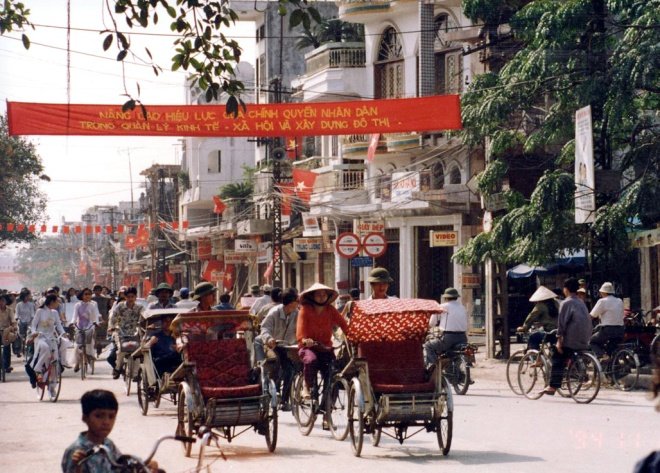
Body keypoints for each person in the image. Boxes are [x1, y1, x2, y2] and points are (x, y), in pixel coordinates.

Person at [296, 283, 349, 399]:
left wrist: (351, 335)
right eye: (318, 294)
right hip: (308, 348)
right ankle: (306, 387)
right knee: (311, 361)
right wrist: (305, 340)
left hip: (325, 348)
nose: (321, 297)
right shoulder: (305, 310)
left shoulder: (330, 310)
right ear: (312, 296)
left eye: (324, 294)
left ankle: (326, 411)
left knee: (333, 374)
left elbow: (343, 324)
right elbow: (300, 332)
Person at [542, 277, 592, 396]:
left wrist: (559, 341)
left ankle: (552, 386)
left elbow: (562, 324)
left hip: (572, 339)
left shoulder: (566, 303)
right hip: (585, 338)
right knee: (566, 353)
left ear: (566, 289)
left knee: (557, 355)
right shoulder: (581, 302)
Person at [256, 287, 299, 411]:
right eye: (297, 301)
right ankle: (267, 391)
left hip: (285, 346)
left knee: (290, 370)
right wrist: (269, 339)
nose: (298, 303)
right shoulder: (274, 312)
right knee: (271, 365)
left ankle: (284, 401)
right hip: (268, 344)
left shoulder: (297, 313)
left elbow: (302, 329)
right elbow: (264, 328)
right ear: (291, 303)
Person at [423, 287, 468, 369]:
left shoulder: (442, 307)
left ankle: (434, 367)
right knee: (454, 354)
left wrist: (426, 328)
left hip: (448, 338)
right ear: (456, 297)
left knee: (428, 346)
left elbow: (432, 323)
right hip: (463, 338)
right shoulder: (462, 307)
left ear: (446, 297)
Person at [28, 294, 66, 388]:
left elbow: (59, 325)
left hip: (52, 337)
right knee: (45, 348)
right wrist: (34, 332)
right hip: (40, 337)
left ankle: (52, 386)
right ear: (52, 302)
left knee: (55, 359)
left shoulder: (55, 313)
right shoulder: (40, 311)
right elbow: (33, 325)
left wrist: (64, 333)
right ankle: (38, 368)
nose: (58, 303)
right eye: (57, 301)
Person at [108, 287, 144, 379]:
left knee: (137, 352)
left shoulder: (140, 307)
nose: (130, 299)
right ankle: (117, 368)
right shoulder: (120, 306)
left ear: (135, 297)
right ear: (125, 297)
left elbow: (144, 318)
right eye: (128, 296)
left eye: (132, 296)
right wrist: (112, 327)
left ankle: (136, 375)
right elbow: (113, 318)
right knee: (121, 350)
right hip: (120, 332)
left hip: (135, 332)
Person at [516, 285, 559, 351]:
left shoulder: (540, 305)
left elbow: (531, 317)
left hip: (549, 332)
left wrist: (524, 327)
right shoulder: (556, 303)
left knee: (533, 337)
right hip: (559, 332)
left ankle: (537, 359)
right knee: (554, 348)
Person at [589, 282, 625, 359]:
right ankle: (610, 364)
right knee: (611, 349)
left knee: (592, 342)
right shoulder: (619, 301)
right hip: (620, 330)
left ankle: (603, 356)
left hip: (608, 330)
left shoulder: (602, 301)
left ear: (604, 292)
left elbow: (592, 315)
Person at [71, 288, 101, 372]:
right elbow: (74, 316)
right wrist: (72, 322)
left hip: (90, 326)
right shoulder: (77, 305)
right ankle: (77, 362)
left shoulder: (93, 305)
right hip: (79, 326)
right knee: (77, 346)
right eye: (86, 294)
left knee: (90, 343)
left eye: (89, 294)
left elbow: (95, 316)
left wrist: (96, 323)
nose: (88, 296)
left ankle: (90, 356)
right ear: (82, 295)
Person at [143, 313, 181, 378]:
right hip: (160, 361)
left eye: (170, 322)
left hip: (173, 360)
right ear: (162, 323)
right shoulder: (156, 336)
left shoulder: (175, 336)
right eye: (166, 321)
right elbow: (144, 348)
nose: (168, 323)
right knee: (173, 356)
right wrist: (151, 342)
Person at [14, 290, 35, 357]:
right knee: (21, 338)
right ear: (24, 296)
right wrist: (17, 320)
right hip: (21, 323)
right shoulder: (18, 305)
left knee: (29, 338)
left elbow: (32, 314)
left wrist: (32, 320)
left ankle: (28, 352)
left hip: (29, 323)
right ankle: (20, 350)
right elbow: (17, 314)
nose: (28, 297)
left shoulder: (31, 304)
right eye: (27, 296)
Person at [0, 293, 18, 372]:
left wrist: (14, 326)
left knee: (7, 347)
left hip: (6, 331)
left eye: (2, 301)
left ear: (5, 302)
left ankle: (7, 366)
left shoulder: (9, 310)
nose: (1, 303)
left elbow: (13, 320)